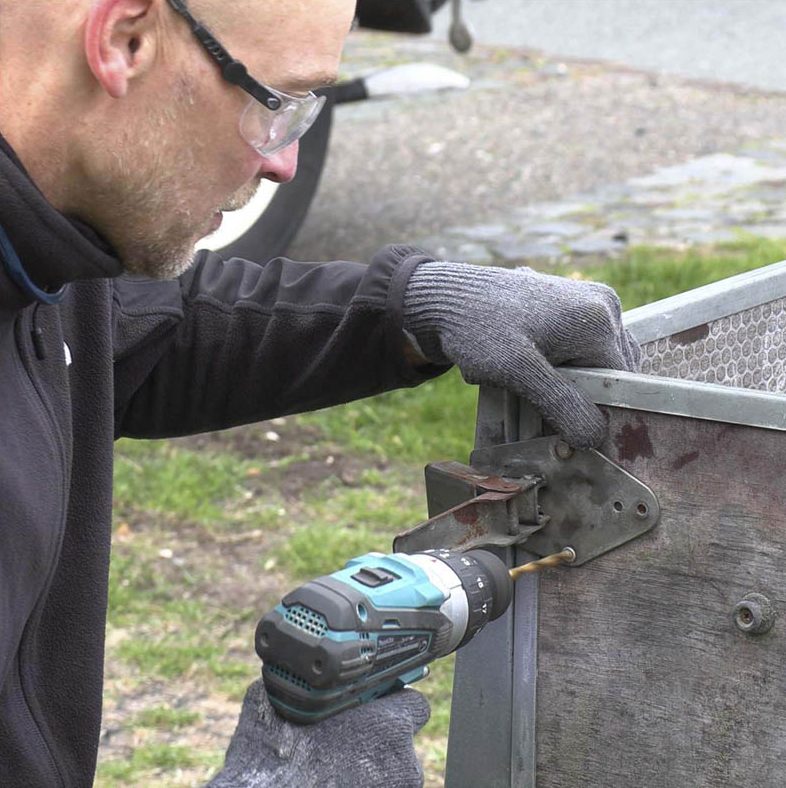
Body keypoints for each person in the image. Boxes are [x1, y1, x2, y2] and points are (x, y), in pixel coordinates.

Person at [0, 1, 640, 785]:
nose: (283, 164)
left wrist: (411, 308)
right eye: (276, 102)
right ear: (123, 42)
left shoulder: (45, 252)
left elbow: (130, 333)